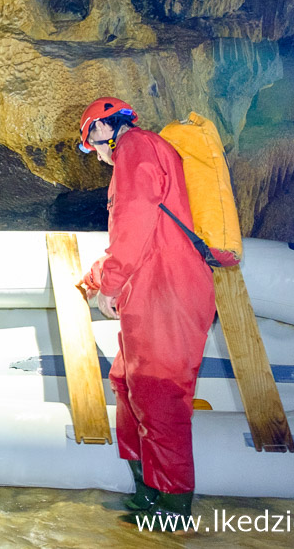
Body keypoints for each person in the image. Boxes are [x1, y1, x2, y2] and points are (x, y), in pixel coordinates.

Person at [75, 97, 215, 530]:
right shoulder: (147, 152)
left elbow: (133, 221)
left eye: (90, 144)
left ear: (102, 128)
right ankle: (147, 491)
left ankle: (172, 511)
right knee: (125, 382)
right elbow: (146, 233)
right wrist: (97, 277)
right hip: (154, 289)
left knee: (158, 395)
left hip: (168, 292)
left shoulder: (134, 148)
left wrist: (110, 284)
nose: (95, 155)